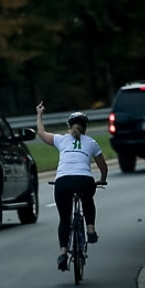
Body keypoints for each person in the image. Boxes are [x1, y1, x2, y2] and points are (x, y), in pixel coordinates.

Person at [35, 101, 108, 271]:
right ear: (86, 127)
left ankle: (62, 252)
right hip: (84, 180)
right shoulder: (91, 142)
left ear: (69, 126)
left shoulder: (61, 139)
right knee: (88, 200)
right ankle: (90, 229)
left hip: (63, 182)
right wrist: (102, 179)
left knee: (64, 219)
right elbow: (103, 166)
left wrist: (39, 114)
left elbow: (41, 132)